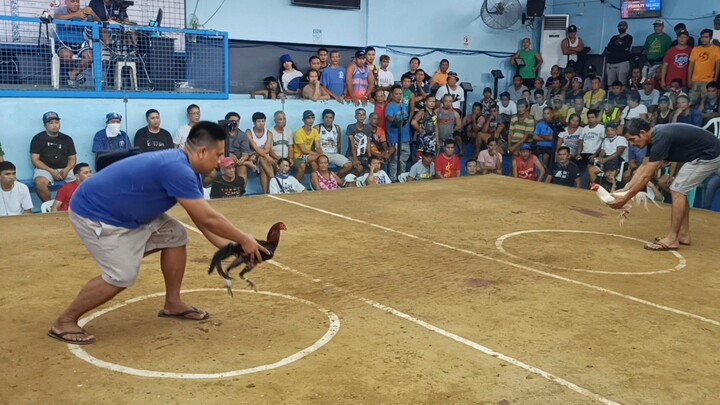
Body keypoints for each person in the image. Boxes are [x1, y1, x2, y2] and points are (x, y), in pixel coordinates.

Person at [48, 122, 269, 345]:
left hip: (126, 211)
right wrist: (244, 239)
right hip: (96, 214)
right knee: (121, 276)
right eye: (219, 154)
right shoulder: (177, 168)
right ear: (202, 152)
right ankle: (65, 321)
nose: (221, 160)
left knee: (175, 235)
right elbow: (208, 218)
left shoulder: (189, 170)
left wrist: (228, 247)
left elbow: (200, 218)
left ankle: (173, 304)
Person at [612, 119, 720, 250]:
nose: (632, 144)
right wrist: (625, 189)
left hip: (710, 155)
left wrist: (625, 198)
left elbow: (647, 175)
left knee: (678, 190)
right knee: (679, 189)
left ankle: (672, 239)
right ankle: (683, 234)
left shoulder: (660, 137)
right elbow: (644, 166)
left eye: (632, 139)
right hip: (703, 153)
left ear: (642, 133)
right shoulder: (653, 138)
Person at [30, 111, 77, 202]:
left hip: (65, 169)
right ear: (45, 125)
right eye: (51, 123)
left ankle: (74, 207)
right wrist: (51, 171)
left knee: (82, 180)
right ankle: (50, 208)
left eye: (57, 122)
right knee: (40, 183)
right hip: (45, 169)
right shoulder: (37, 138)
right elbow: (35, 160)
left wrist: (67, 169)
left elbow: (72, 159)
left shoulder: (67, 139)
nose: (55, 125)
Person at [53, 0, 93, 87]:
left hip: (80, 42)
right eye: (72, 1)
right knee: (66, 55)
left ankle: (74, 73)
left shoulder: (84, 12)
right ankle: (74, 72)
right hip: (63, 41)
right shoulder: (61, 10)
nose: (76, 4)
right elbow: (55, 18)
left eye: (77, 2)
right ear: (66, 2)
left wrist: (92, 13)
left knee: (90, 56)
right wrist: (75, 15)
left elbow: (94, 24)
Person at [688, 30, 720, 107]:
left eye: (706, 37)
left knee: (706, 103)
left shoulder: (716, 49)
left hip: (708, 80)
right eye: (702, 37)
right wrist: (689, 79)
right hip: (695, 80)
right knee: (691, 102)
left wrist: (715, 78)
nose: (703, 39)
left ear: (710, 38)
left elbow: (718, 64)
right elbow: (691, 64)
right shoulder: (695, 49)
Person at [247, 112, 275, 194]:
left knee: (263, 164)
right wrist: (267, 157)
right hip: (253, 158)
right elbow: (254, 148)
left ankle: (265, 193)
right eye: (259, 121)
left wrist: (265, 156)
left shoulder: (269, 133)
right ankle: (273, 179)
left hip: (263, 158)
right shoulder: (249, 132)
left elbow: (267, 149)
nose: (261, 123)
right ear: (254, 122)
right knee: (263, 159)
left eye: (263, 121)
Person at [293, 110, 322, 180]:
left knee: (316, 164)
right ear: (303, 120)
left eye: (312, 118)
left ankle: (318, 183)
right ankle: (295, 185)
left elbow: (318, 146)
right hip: (298, 156)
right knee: (304, 165)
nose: (311, 120)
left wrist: (321, 154)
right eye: (308, 118)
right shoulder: (298, 132)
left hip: (310, 155)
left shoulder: (315, 131)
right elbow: (304, 150)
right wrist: (318, 155)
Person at [605, 21, 633, 87]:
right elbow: (609, 48)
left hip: (622, 62)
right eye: (619, 26)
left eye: (623, 26)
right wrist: (619, 48)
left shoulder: (629, 37)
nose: (621, 27)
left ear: (626, 27)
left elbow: (625, 47)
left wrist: (616, 48)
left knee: (622, 83)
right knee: (610, 84)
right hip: (611, 63)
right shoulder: (614, 37)